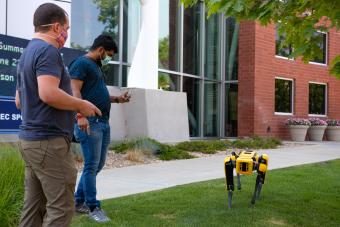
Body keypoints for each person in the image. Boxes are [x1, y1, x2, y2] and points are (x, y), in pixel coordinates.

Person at [15, 3, 102, 227]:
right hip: (48, 143)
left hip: (30, 141)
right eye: (67, 28)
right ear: (56, 27)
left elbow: (19, 101)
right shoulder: (48, 50)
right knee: (62, 208)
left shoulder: (26, 54)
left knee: (33, 208)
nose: (66, 34)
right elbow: (48, 93)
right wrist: (80, 104)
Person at [69, 35, 130, 222]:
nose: (108, 58)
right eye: (109, 55)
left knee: (98, 165)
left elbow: (97, 93)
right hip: (90, 121)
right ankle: (93, 206)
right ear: (101, 50)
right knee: (91, 165)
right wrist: (80, 115)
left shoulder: (96, 67)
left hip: (103, 122)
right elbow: (74, 91)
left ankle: (78, 201)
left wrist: (118, 99)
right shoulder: (81, 64)